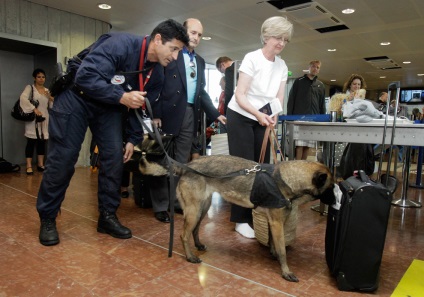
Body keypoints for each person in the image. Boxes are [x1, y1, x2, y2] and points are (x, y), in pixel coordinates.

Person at [36, 19, 189, 246]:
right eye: (174, 49)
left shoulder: (157, 74)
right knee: (64, 159)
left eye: (179, 52)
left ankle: (107, 216)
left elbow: (139, 105)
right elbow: (85, 76)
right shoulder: (120, 44)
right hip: (76, 98)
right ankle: (48, 217)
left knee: (114, 158)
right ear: (158, 40)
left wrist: (132, 139)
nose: (175, 57)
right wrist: (121, 97)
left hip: (107, 106)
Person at [150, 18, 226, 223]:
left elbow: (201, 91)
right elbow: (157, 83)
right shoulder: (171, 52)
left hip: (190, 113)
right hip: (166, 113)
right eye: (193, 33)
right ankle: (159, 206)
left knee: (182, 162)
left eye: (199, 35)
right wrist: (155, 113)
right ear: (183, 32)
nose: (196, 38)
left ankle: (175, 202)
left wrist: (215, 113)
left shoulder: (199, 61)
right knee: (162, 160)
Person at [226, 16, 293, 238]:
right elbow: (240, 94)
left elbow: (278, 98)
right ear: (266, 36)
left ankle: (254, 213)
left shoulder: (282, 65)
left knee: (261, 168)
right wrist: (258, 114)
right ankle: (240, 220)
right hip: (241, 114)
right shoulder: (252, 58)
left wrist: (273, 115)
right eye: (277, 38)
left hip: (263, 116)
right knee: (244, 168)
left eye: (285, 39)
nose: (281, 43)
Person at [287, 60, 325, 160]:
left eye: (317, 67)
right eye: (313, 66)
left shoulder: (320, 85)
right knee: (299, 145)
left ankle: (303, 168)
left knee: (308, 146)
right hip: (299, 119)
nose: (315, 69)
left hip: (313, 120)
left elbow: (322, 104)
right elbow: (291, 100)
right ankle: (296, 167)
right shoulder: (299, 81)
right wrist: (289, 117)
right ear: (309, 67)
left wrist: (322, 120)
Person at [20, 68, 53, 175]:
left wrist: (51, 98)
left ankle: (40, 164)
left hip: (44, 119)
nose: (41, 79)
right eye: (39, 77)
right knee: (31, 142)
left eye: (43, 77)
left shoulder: (47, 90)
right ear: (34, 78)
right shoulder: (30, 88)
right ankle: (29, 165)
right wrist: (34, 109)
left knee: (42, 142)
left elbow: (51, 106)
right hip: (33, 120)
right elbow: (23, 99)